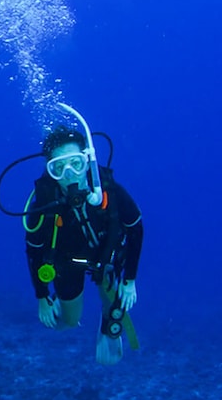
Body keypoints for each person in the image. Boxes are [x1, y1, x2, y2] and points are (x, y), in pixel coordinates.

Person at [24, 125, 143, 366]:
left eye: (75, 164)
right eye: (58, 167)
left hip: (106, 258)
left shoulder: (111, 191)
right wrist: (42, 296)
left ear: (87, 160)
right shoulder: (43, 206)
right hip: (67, 264)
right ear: (50, 171)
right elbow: (34, 251)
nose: (69, 174)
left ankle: (107, 321)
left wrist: (130, 280)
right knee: (68, 322)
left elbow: (136, 229)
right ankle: (64, 305)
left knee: (114, 305)